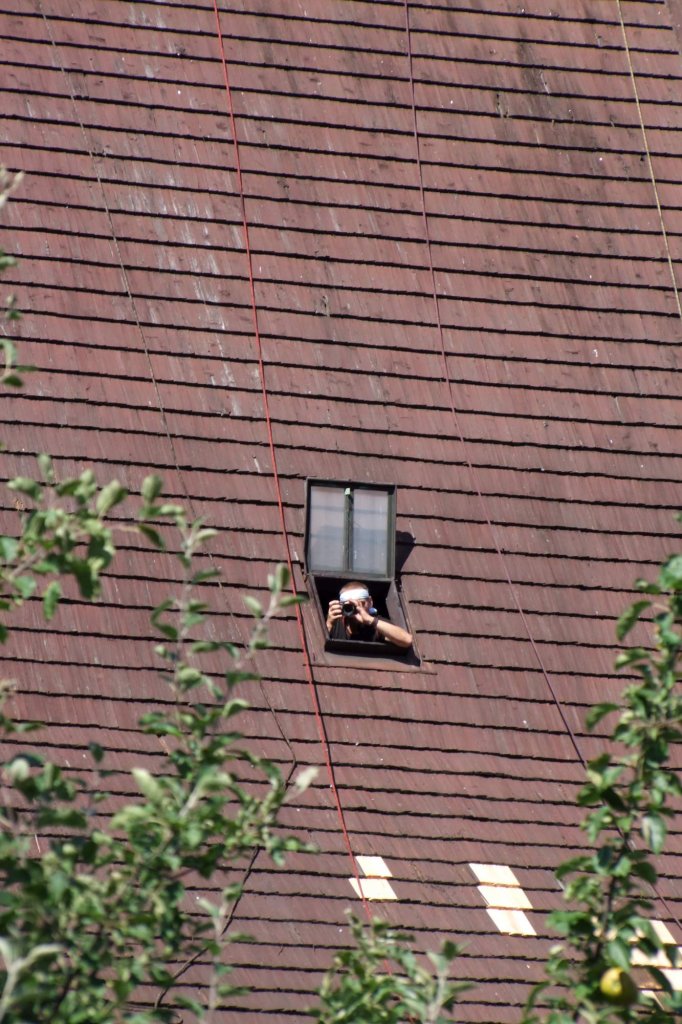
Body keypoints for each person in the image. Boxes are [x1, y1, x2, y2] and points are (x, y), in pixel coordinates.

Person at [326, 581, 413, 649]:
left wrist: (371, 620)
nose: (356, 608)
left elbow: (407, 640)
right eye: (349, 605)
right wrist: (329, 624)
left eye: (362, 603)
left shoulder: (376, 624)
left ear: (370, 602)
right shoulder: (335, 621)